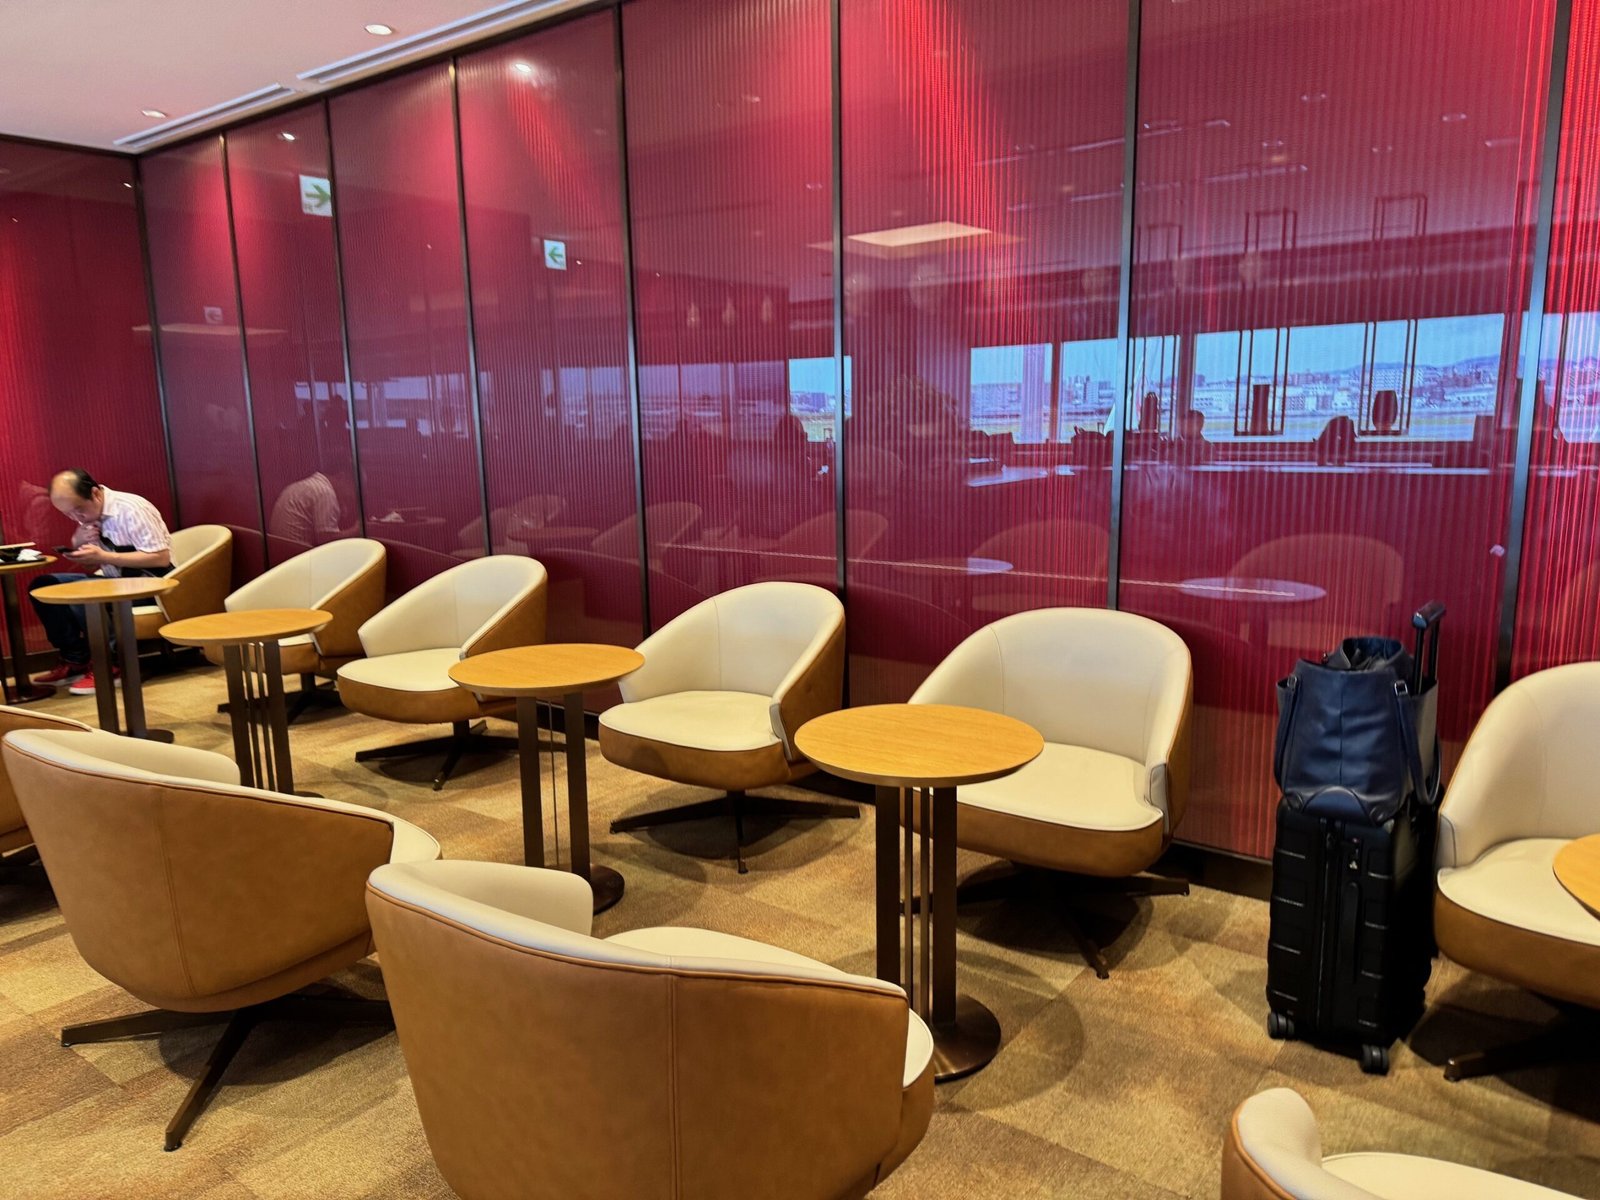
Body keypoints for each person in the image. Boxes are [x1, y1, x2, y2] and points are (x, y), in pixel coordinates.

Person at [28, 468, 172, 695]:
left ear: (95, 493)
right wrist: (78, 543)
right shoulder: (88, 515)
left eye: (78, 510)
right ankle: (75, 658)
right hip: (113, 581)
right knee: (44, 584)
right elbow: (90, 563)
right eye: (68, 514)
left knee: (85, 595)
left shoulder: (132, 509)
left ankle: (111, 665)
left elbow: (160, 558)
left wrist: (104, 556)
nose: (76, 518)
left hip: (151, 586)